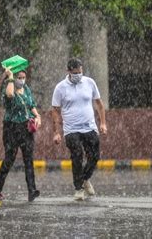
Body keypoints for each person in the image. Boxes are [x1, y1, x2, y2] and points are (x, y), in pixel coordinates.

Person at [51, 58, 107, 200]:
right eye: (75, 73)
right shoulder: (60, 88)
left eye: (80, 72)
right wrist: (56, 132)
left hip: (89, 126)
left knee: (95, 156)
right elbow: (55, 110)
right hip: (71, 129)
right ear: (68, 71)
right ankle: (78, 189)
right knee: (77, 156)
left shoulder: (89, 82)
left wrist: (103, 123)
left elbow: (99, 104)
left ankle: (85, 178)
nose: (78, 75)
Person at [0, 66, 42, 202]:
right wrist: (10, 78)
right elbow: (9, 95)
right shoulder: (9, 87)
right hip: (11, 127)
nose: (22, 80)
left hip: (26, 127)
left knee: (28, 159)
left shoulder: (26, 89)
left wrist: (37, 116)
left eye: (23, 77)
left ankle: (32, 190)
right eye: (19, 77)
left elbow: (31, 105)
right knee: (10, 158)